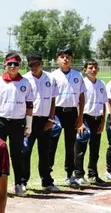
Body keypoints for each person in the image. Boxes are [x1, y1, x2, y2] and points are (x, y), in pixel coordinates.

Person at [0, 53, 34, 195]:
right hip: (0, 120)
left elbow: (29, 106)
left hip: (18, 122)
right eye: (10, 64)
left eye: (16, 64)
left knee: (17, 154)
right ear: (5, 65)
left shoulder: (25, 83)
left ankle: (18, 184)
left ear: (20, 65)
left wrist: (28, 125)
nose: (12, 67)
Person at [48, 46, 85, 187]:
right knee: (51, 144)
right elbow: (50, 97)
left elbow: (81, 97)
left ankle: (70, 175)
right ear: (57, 59)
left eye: (68, 57)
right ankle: (48, 175)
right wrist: (50, 117)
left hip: (72, 112)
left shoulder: (77, 75)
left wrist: (80, 118)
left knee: (70, 145)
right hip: (56, 112)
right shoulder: (52, 76)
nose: (65, 59)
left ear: (72, 59)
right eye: (62, 57)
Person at [23, 53, 58, 192]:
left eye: (36, 64)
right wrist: (25, 123)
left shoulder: (50, 78)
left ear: (42, 64)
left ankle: (47, 181)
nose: (34, 67)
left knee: (45, 152)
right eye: (31, 64)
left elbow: (53, 100)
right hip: (29, 120)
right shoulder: (25, 79)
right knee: (25, 151)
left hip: (45, 120)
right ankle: (22, 181)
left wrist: (51, 119)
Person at [76, 59, 106, 183]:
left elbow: (104, 103)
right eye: (90, 67)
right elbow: (78, 103)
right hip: (85, 118)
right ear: (85, 70)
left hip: (97, 118)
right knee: (80, 148)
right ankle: (78, 174)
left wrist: (103, 121)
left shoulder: (101, 84)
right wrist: (80, 121)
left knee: (95, 149)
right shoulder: (82, 83)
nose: (93, 70)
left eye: (95, 67)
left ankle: (93, 174)